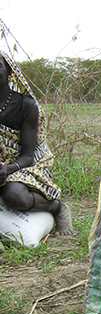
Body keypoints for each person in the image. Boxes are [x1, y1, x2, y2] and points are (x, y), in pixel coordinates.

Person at [0, 51, 73, 236]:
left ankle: (56, 207)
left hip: (24, 166)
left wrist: (6, 170)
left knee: (15, 196)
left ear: (10, 73)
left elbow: (28, 156)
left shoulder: (26, 106)